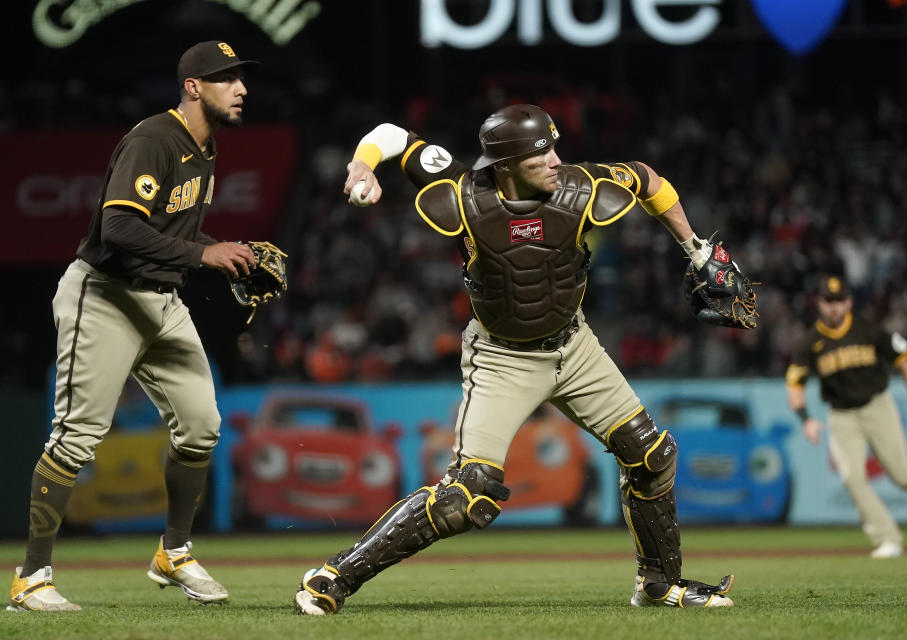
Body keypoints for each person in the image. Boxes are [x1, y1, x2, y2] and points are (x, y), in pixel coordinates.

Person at [294, 104, 739, 615]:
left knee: (652, 455)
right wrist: (362, 164)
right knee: (468, 495)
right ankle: (333, 577)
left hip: (575, 348)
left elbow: (646, 179)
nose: (555, 160)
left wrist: (698, 250)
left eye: (553, 146)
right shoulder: (463, 197)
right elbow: (393, 134)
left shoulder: (583, 187)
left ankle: (659, 585)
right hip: (502, 358)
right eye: (540, 152)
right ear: (504, 163)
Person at [8, 41, 260, 612]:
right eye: (226, 79)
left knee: (200, 425)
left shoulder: (206, 147)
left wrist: (220, 248)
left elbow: (172, 231)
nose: (241, 88)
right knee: (76, 436)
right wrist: (204, 256)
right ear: (193, 86)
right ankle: (31, 579)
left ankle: (174, 551)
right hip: (104, 295)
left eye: (242, 78)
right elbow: (119, 226)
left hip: (161, 301)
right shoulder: (155, 138)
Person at [785, 274, 907, 559]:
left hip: (878, 406)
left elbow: (905, 362)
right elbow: (794, 384)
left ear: (849, 301)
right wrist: (806, 419)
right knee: (852, 477)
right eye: (829, 301)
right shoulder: (810, 342)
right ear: (820, 303)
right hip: (841, 416)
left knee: (900, 474)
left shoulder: (869, 329)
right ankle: (887, 538)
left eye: (840, 300)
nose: (835, 307)